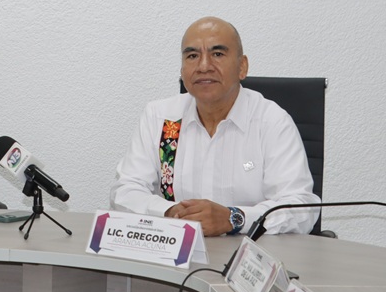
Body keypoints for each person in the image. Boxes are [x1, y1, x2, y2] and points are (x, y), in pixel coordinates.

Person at [109, 16, 319, 236]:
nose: (203, 66)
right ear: (182, 71)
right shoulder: (161, 118)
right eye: (192, 56)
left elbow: (300, 207)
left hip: (247, 258)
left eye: (217, 54)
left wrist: (234, 218)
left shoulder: (272, 122)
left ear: (242, 67)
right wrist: (170, 211)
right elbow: (125, 190)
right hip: (175, 254)